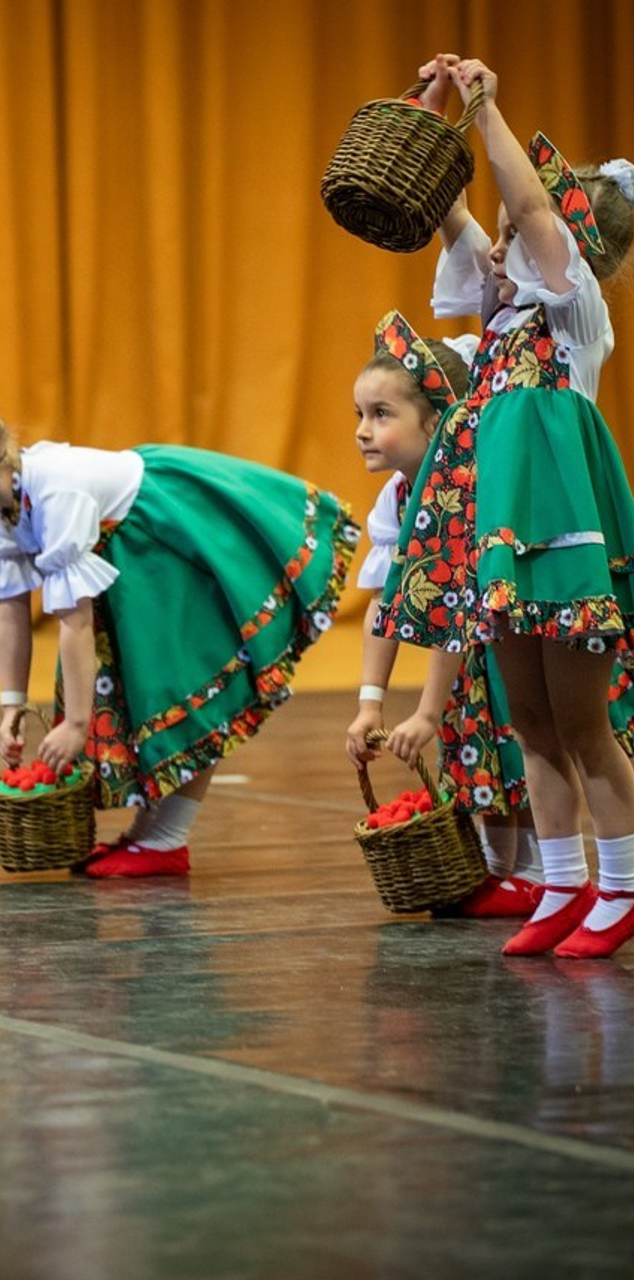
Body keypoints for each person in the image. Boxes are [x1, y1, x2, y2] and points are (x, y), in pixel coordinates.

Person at [0, 366, 358, 877]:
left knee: (182, 688)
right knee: (137, 693)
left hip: (166, 540)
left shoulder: (54, 495)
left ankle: (166, 839)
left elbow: (74, 623)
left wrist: (77, 724)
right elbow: (11, 608)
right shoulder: (6, 507)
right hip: (130, 562)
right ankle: (149, 836)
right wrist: (11, 705)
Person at [375, 55, 634, 958]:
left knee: (584, 726)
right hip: (502, 538)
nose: (500, 239)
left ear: (562, 241)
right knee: (530, 721)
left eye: (516, 233)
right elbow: (456, 215)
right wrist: (433, 111)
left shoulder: (574, 305)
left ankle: (623, 887)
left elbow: (527, 209)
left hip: (561, 534)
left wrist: (488, 107)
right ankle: (561, 882)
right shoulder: (502, 315)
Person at [346, 309, 544, 916]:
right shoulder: (397, 498)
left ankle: (535, 873)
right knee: (469, 739)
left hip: (508, 631)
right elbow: (385, 599)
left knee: (511, 737)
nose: (362, 430)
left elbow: (459, 600)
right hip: (463, 643)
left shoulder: (467, 487)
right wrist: (370, 702)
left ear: (437, 423)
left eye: (382, 415)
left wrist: (427, 710)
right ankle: (499, 868)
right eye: (359, 414)